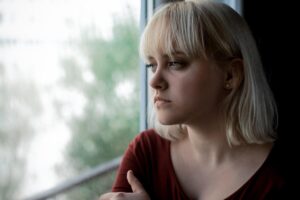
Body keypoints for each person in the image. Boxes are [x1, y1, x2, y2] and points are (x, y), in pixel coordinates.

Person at [99, 0, 288, 199]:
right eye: (152, 65)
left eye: (175, 63)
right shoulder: (146, 152)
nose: (154, 81)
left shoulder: (277, 178)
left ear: (230, 75)